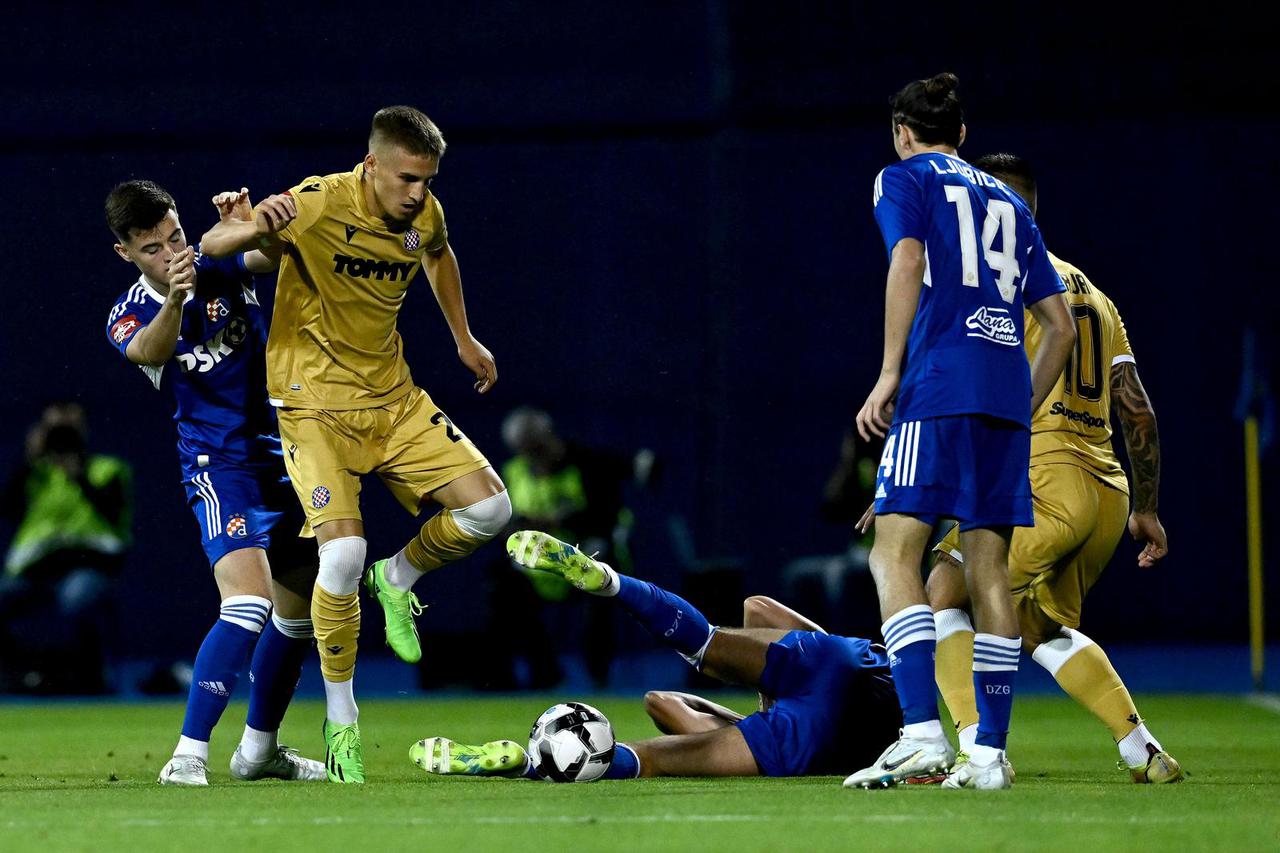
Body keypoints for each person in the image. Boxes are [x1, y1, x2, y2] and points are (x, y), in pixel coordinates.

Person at [199, 106, 512, 783]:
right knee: (339, 552)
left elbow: (439, 252)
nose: (417, 193)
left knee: (492, 510)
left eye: (427, 179)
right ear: (370, 166)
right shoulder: (316, 203)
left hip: (391, 400)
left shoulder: (423, 212)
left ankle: (398, 578)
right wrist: (253, 221)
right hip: (311, 406)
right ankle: (342, 721)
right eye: (405, 178)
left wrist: (463, 337)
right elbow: (217, 249)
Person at [844, 73, 1075, 790]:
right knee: (988, 571)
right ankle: (988, 754)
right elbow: (1059, 326)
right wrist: (1021, 401)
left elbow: (908, 259)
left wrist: (888, 374)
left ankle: (919, 733)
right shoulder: (1009, 198)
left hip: (938, 385)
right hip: (1004, 396)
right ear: (965, 136)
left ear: (902, 132)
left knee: (892, 551)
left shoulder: (901, 177)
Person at [921, 153, 1181, 783]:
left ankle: (974, 749)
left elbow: (970, 393)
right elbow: (1138, 413)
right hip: (1106, 492)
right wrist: (1145, 507)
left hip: (1044, 478)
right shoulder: (1095, 295)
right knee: (1035, 624)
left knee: (942, 591)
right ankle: (1140, 746)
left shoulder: (999, 284)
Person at [104, 180, 324, 786]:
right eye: (152, 248)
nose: (171, 253)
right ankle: (188, 755)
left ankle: (259, 751)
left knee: (301, 612)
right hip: (216, 467)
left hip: (282, 459)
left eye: (174, 236)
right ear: (126, 253)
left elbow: (277, 253)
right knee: (247, 602)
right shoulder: (130, 312)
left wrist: (252, 226)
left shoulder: (217, 262)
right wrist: (174, 298)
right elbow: (149, 351)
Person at [409, 529, 902, 780]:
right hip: (847, 709)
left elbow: (663, 699)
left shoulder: (762, 731)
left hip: (837, 670)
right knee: (646, 758)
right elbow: (664, 703)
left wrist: (768, 691)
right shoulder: (761, 736)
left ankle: (611, 582)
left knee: (702, 644)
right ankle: (527, 764)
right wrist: (762, 705)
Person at [488, 406, 652, 688]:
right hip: (539, 568)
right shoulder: (513, 472)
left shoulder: (590, 465)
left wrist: (559, 520)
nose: (535, 458)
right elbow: (501, 523)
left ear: (551, 438)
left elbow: (606, 517)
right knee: (500, 585)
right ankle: (540, 672)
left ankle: (598, 673)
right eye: (527, 452)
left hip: (587, 559)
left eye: (539, 449)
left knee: (602, 584)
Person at [0, 401, 131, 694]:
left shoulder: (106, 468)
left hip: (88, 565)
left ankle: (88, 678)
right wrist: (29, 458)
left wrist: (78, 473)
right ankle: (21, 675)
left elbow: (112, 510)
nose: (61, 435)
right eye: (54, 429)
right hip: (35, 570)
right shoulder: (36, 475)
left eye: (68, 428)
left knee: (76, 598)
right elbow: (9, 509)